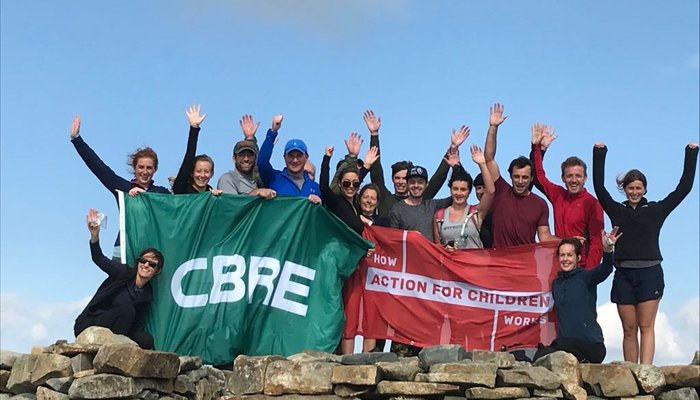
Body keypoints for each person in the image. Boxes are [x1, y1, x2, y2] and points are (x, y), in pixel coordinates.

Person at [593, 142, 698, 364]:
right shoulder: (617, 210)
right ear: (625, 189)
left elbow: (684, 188)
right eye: (630, 188)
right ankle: (632, 373)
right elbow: (599, 188)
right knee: (629, 329)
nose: (634, 192)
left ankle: (646, 370)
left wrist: (691, 153)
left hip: (650, 273)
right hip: (623, 274)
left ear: (645, 190)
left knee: (646, 326)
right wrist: (599, 153)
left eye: (638, 188)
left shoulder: (656, 210)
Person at [70, 115, 170, 259]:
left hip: (151, 253)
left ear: (155, 170)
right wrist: (77, 140)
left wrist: (145, 196)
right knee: (117, 281)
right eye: (141, 167)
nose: (145, 171)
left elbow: (180, 208)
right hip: (123, 249)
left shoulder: (162, 193)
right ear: (134, 168)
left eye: (149, 168)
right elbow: (99, 168)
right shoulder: (123, 188)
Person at [528, 229, 622, 363]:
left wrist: (607, 250)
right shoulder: (557, 284)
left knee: (557, 346)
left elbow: (605, 269)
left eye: (569, 255)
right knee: (556, 351)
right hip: (568, 348)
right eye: (562, 255)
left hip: (592, 346)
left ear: (578, 258)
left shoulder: (586, 277)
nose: (565, 259)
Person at [74, 209, 164, 349]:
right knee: (127, 310)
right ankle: (112, 353)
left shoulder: (147, 294)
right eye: (143, 261)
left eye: (152, 264)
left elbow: (136, 324)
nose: (146, 265)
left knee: (146, 339)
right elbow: (99, 259)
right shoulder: (122, 272)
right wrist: (94, 237)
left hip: (120, 328)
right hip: (91, 323)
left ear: (157, 271)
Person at [363, 110, 469, 216]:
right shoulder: (384, 198)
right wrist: (374, 135)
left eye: (404, 178)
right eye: (397, 178)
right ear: (392, 179)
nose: (400, 182)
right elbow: (376, 169)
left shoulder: (422, 198)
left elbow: (438, 178)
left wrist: (453, 148)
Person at [530, 123, 604, 268]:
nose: (574, 180)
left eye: (578, 176)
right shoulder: (558, 194)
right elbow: (538, 177)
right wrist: (538, 148)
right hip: (559, 265)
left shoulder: (592, 203)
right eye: (569, 176)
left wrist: (588, 274)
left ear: (585, 178)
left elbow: (596, 242)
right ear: (563, 178)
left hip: (581, 268)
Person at [482, 104, 557, 247]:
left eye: (525, 177)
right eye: (516, 176)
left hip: (526, 264)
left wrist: (569, 241)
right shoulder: (501, 191)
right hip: (499, 262)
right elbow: (489, 158)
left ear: (531, 179)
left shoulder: (540, 204)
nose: (520, 181)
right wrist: (493, 127)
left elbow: (545, 237)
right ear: (510, 176)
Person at [433, 145, 495, 250]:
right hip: (452, 265)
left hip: (476, 265)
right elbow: (437, 248)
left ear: (469, 191)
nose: (458, 193)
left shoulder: (475, 212)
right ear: (450, 190)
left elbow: (490, 192)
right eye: (455, 189)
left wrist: (482, 164)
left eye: (463, 189)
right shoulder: (439, 216)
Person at [257, 114, 322, 203]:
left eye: (299, 155)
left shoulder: (315, 188)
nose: (295, 160)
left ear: (306, 157)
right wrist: (273, 131)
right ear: (284, 157)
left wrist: (320, 203)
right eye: (291, 156)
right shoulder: (274, 178)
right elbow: (262, 162)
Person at [218, 114, 276, 199]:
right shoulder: (228, 179)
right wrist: (255, 193)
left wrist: (250, 138)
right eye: (241, 155)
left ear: (255, 158)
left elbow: (260, 165)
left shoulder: (259, 180)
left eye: (250, 155)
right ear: (234, 158)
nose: (246, 159)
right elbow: (232, 208)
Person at [172, 105, 222, 195]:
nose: (202, 175)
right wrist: (194, 128)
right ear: (191, 173)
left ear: (212, 174)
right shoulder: (181, 189)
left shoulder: (212, 195)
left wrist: (217, 199)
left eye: (206, 171)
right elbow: (189, 157)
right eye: (198, 171)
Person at [320, 139, 364, 235]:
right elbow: (324, 187)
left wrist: (353, 156)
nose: (351, 187)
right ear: (339, 184)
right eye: (346, 183)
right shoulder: (335, 202)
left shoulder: (357, 206)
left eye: (355, 184)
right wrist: (327, 158)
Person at [472, 173, 493, 248]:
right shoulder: (472, 214)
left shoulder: (501, 211)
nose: (481, 191)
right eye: (478, 188)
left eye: (484, 187)